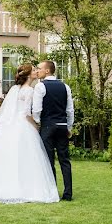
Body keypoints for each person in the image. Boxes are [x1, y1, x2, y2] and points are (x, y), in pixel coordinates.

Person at [0, 63, 60, 204]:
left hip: (10, 126)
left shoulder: (15, 89)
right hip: (24, 126)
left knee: (7, 157)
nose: (36, 72)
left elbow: (7, 111)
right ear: (27, 75)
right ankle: (24, 188)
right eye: (33, 70)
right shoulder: (30, 91)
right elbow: (27, 114)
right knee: (27, 159)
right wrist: (36, 125)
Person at [32, 60, 75, 201]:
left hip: (48, 127)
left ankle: (53, 191)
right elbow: (70, 110)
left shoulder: (40, 87)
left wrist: (37, 123)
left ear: (47, 71)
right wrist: (69, 127)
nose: (37, 70)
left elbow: (37, 110)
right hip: (62, 126)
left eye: (39, 68)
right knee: (65, 160)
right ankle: (68, 193)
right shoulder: (65, 86)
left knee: (48, 160)